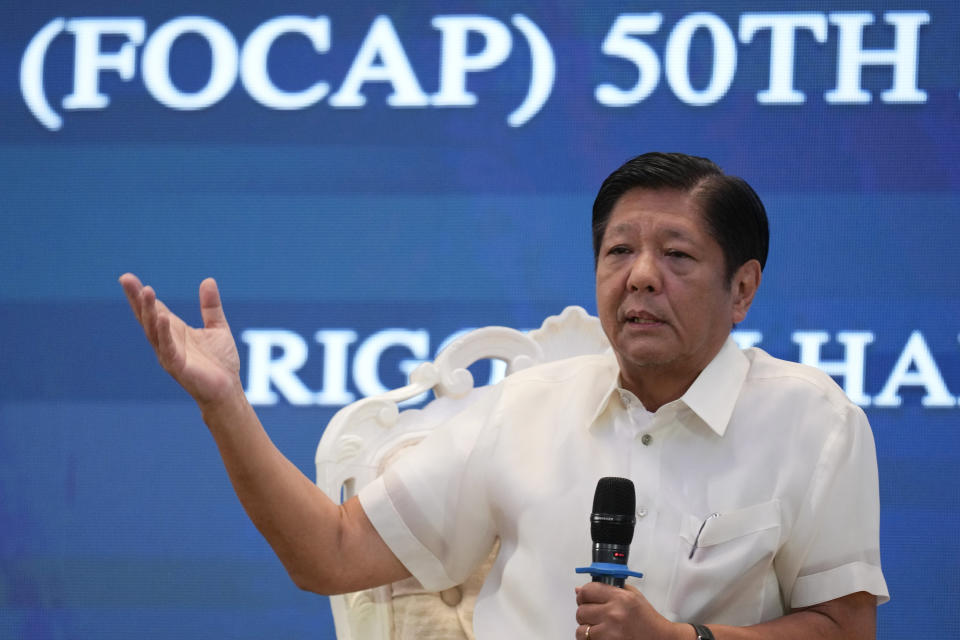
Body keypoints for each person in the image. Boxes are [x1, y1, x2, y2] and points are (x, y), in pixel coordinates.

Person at [120, 152, 888, 640]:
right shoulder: (522, 408)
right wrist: (225, 404)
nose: (641, 276)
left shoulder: (813, 423)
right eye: (619, 251)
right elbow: (333, 552)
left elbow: (844, 629)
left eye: (676, 254)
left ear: (743, 288)